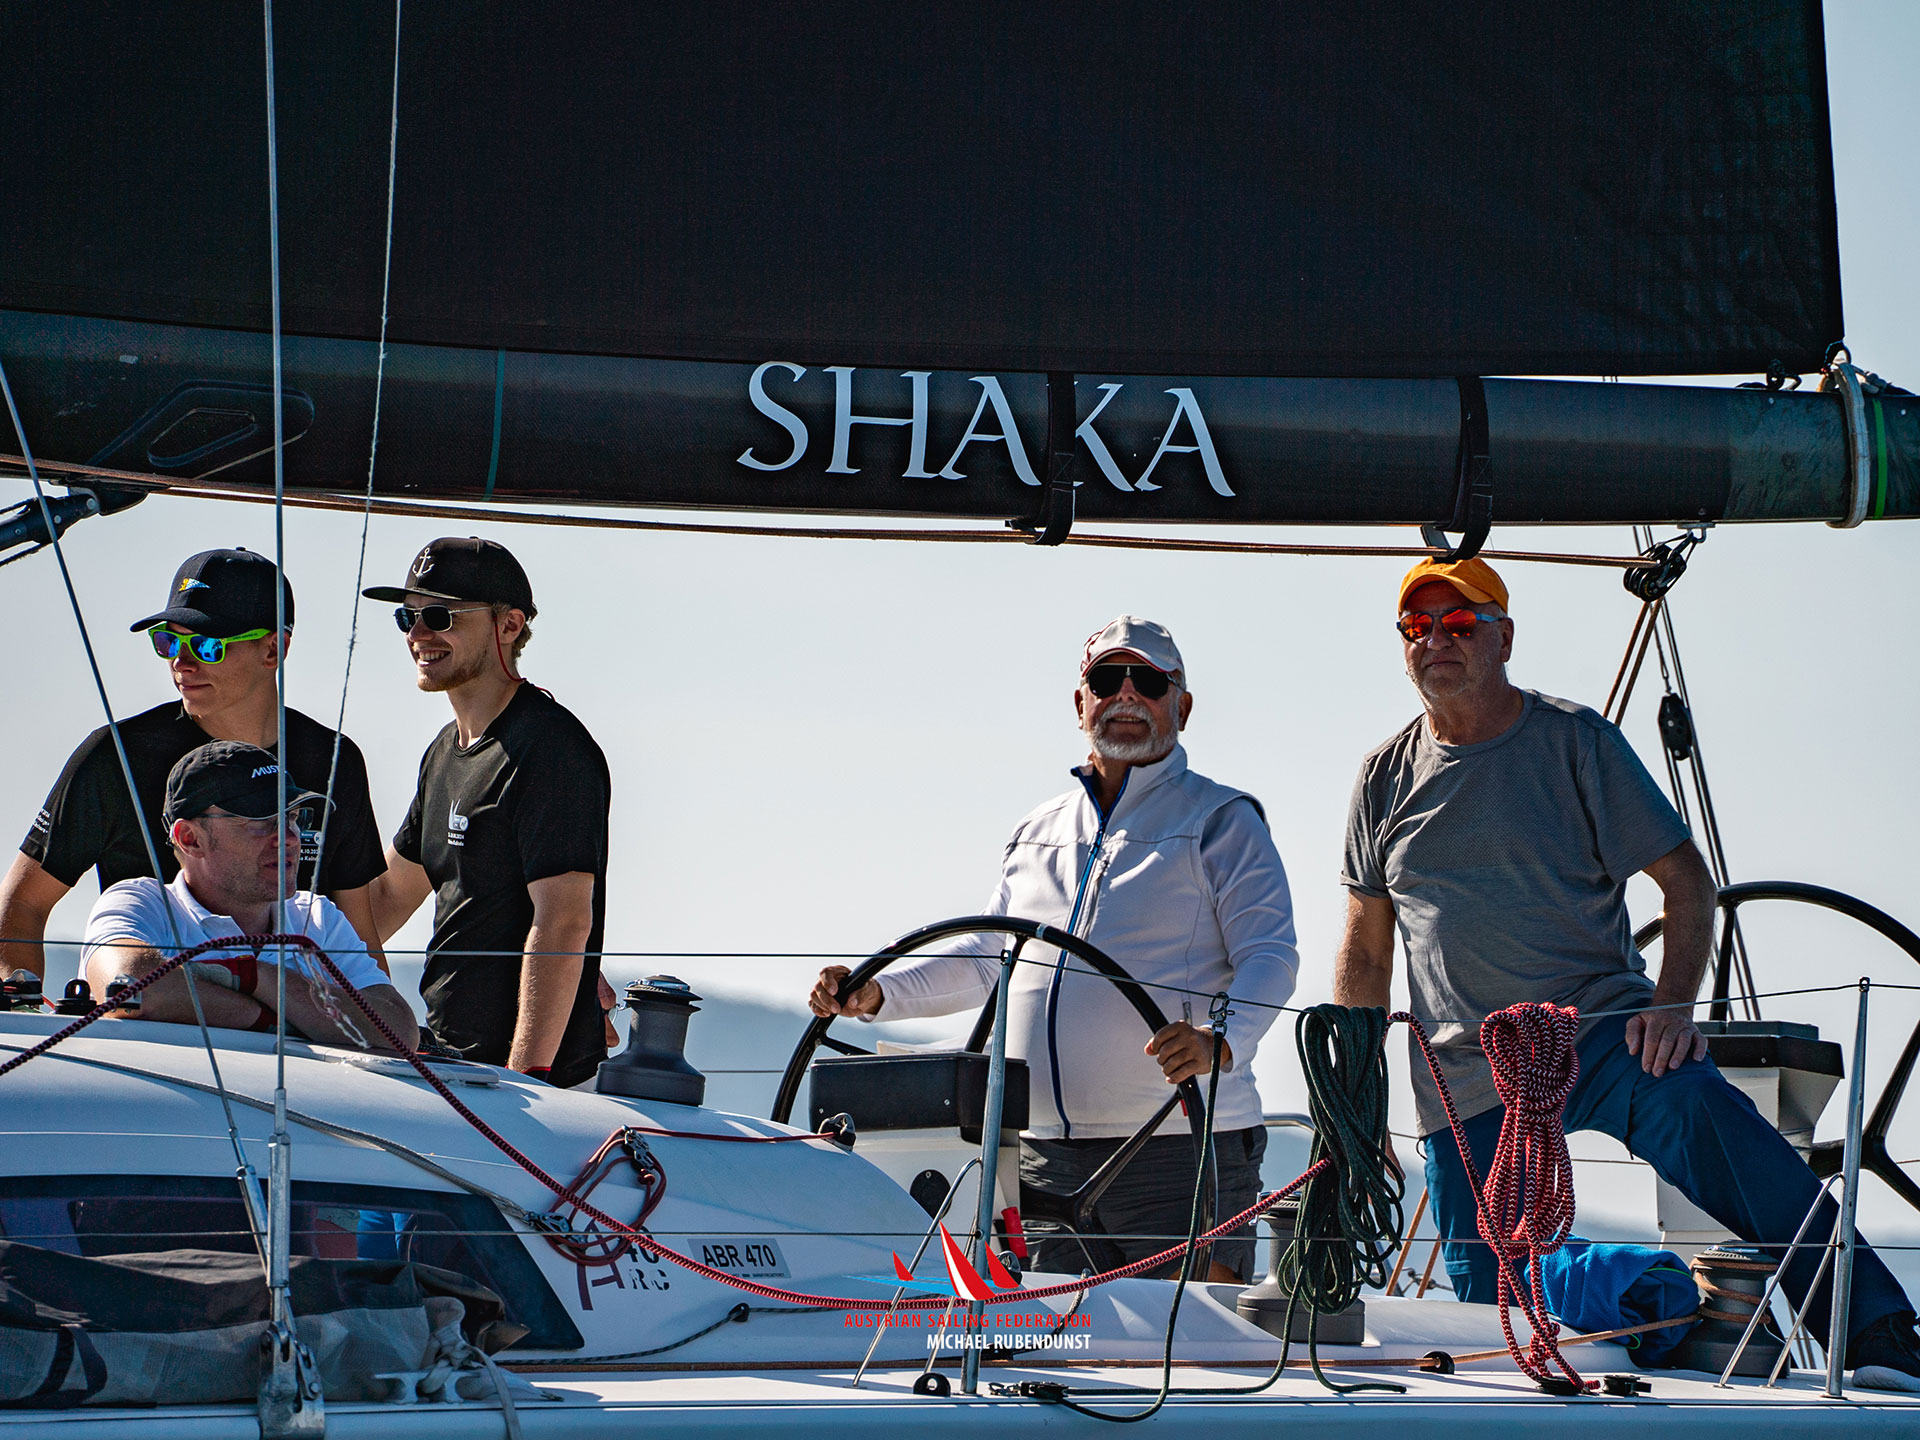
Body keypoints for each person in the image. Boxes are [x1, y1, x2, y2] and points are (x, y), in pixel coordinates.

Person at [1335, 555, 1920, 1389]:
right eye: (1417, 627)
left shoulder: (1576, 742)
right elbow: (1365, 950)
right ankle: (1652, 1295)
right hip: (1466, 1073)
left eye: (1459, 624)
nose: (1437, 641)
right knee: (1491, 1297)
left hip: (1603, 1035)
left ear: (1504, 637)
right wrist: (1351, 1104)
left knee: (1713, 1122)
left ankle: (1876, 1330)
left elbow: (1686, 881)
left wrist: (1675, 1006)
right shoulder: (1382, 778)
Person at [809, 617, 1299, 1283]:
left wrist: (1222, 1040)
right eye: (1107, 679)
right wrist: (878, 993)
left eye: (1148, 681)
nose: (1126, 695)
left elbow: (1270, 955)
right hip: (1041, 1157)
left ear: (1182, 707)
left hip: (1181, 1148)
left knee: (1191, 1343)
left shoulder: (1221, 819)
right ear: (1080, 702)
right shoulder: (1036, 830)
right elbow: (988, 958)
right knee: (1055, 1343)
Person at [0, 548, 388, 979]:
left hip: (297, 1019)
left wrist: (380, 1013)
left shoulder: (335, 760)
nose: (181, 663)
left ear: (273, 649)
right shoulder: (115, 755)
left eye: (207, 646)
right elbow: (22, 903)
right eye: (169, 642)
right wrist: (23, 1002)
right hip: (156, 1011)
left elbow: (358, 933)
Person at [363, 537, 614, 1088]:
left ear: (509, 625)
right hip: (451, 1060)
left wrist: (525, 1076)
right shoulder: (443, 752)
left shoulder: (551, 748)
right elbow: (385, 899)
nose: (417, 634)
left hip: (526, 1084)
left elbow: (564, 920)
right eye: (407, 617)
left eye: (440, 616)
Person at [80, 742, 416, 1048]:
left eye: (292, 817)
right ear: (189, 838)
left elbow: (400, 1031)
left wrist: (255, 977)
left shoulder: (317, 917)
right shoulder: (138, 903)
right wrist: (286, 1020)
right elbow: (127, 990)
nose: (289, 838)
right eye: (261, 821)